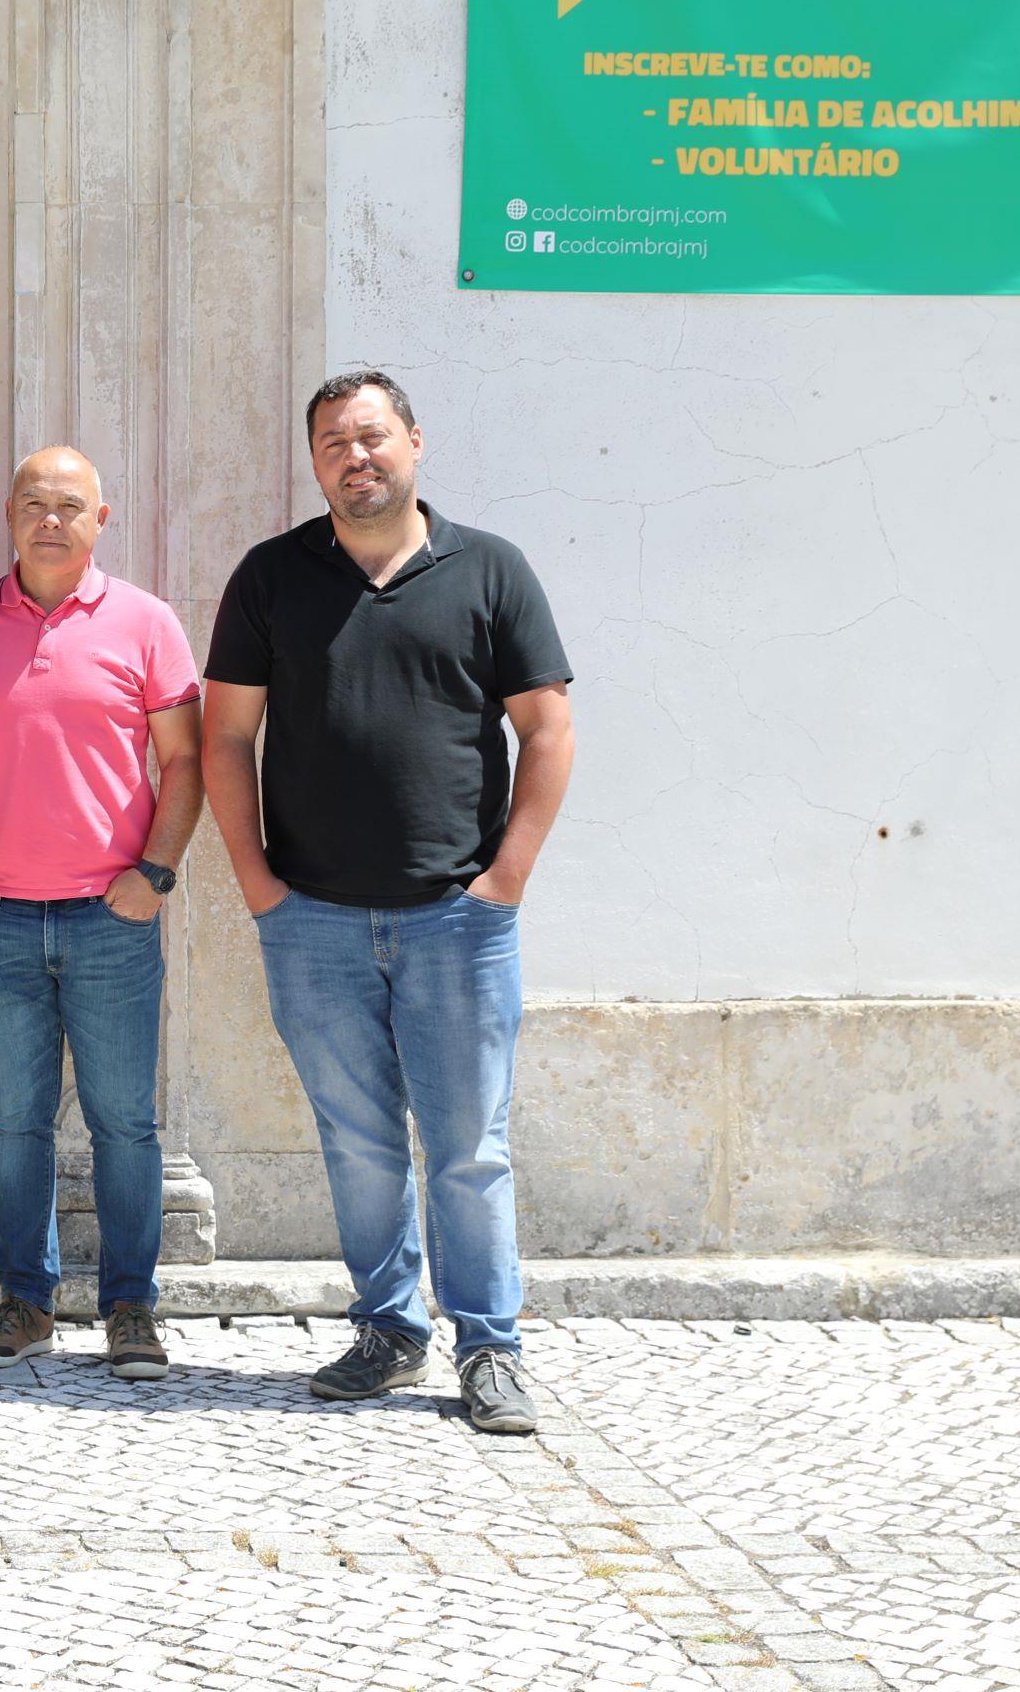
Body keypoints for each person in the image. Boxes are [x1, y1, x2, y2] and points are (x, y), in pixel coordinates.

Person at [201, 370, 576, 1435]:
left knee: (469, 1146)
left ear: (414, 440)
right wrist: (260, 886)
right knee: (358, 1142)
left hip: (457, 920)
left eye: (371, 436)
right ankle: (389, 1329)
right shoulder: (273, 576)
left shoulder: (490, 569)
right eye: (332, 443)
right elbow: (226, 737)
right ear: (314, 462)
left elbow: (547, 730)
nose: (354, 456)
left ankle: (490, 1348)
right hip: (312, 921)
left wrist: (504, 882)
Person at [0, 446, 202, 1382]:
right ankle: (26, 1303)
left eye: (69, 505)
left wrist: (154, 874)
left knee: (125, 1125)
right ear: (8, 513)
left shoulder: (147, 623)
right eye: (33, 502)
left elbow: (186, 762)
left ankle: (131, 1307)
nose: (50, 519)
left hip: (110, 919)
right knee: (16, 1122)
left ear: (99, 519)